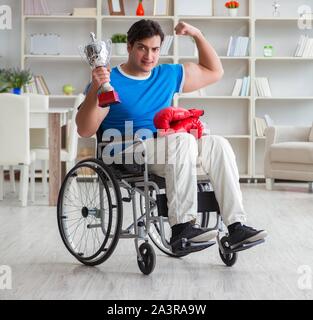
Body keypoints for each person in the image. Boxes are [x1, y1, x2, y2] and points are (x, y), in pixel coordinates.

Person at [76, 19, 267, 254]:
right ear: (129, 47)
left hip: (167, 149)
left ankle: (236, 226)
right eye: (142, 48)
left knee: (218, 143)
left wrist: (196, 34)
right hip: (125, 150)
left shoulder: (166, 75)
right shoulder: (109, 81)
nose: (149, 56)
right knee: (183, 141)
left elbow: (215, 71)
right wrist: (97, 86)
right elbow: (84, 129)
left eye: (155, 49)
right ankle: (182, 228)